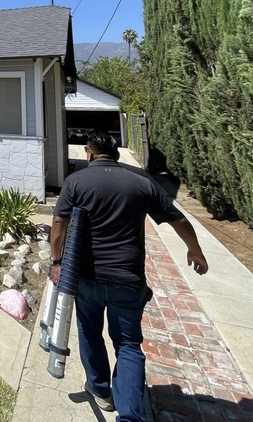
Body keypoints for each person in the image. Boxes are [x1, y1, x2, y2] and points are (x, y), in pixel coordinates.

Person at [50, 133, 208, 421]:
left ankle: (99, 389)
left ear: (89, 154)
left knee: (89, 331)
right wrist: (195, 251)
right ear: (116, 155)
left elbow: (60, 221)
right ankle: (131, 416)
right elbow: (178, 219)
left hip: (88, 278)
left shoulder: (76, 182)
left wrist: (57, 261)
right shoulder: (141, 183)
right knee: (128, 344)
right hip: (128, 279)